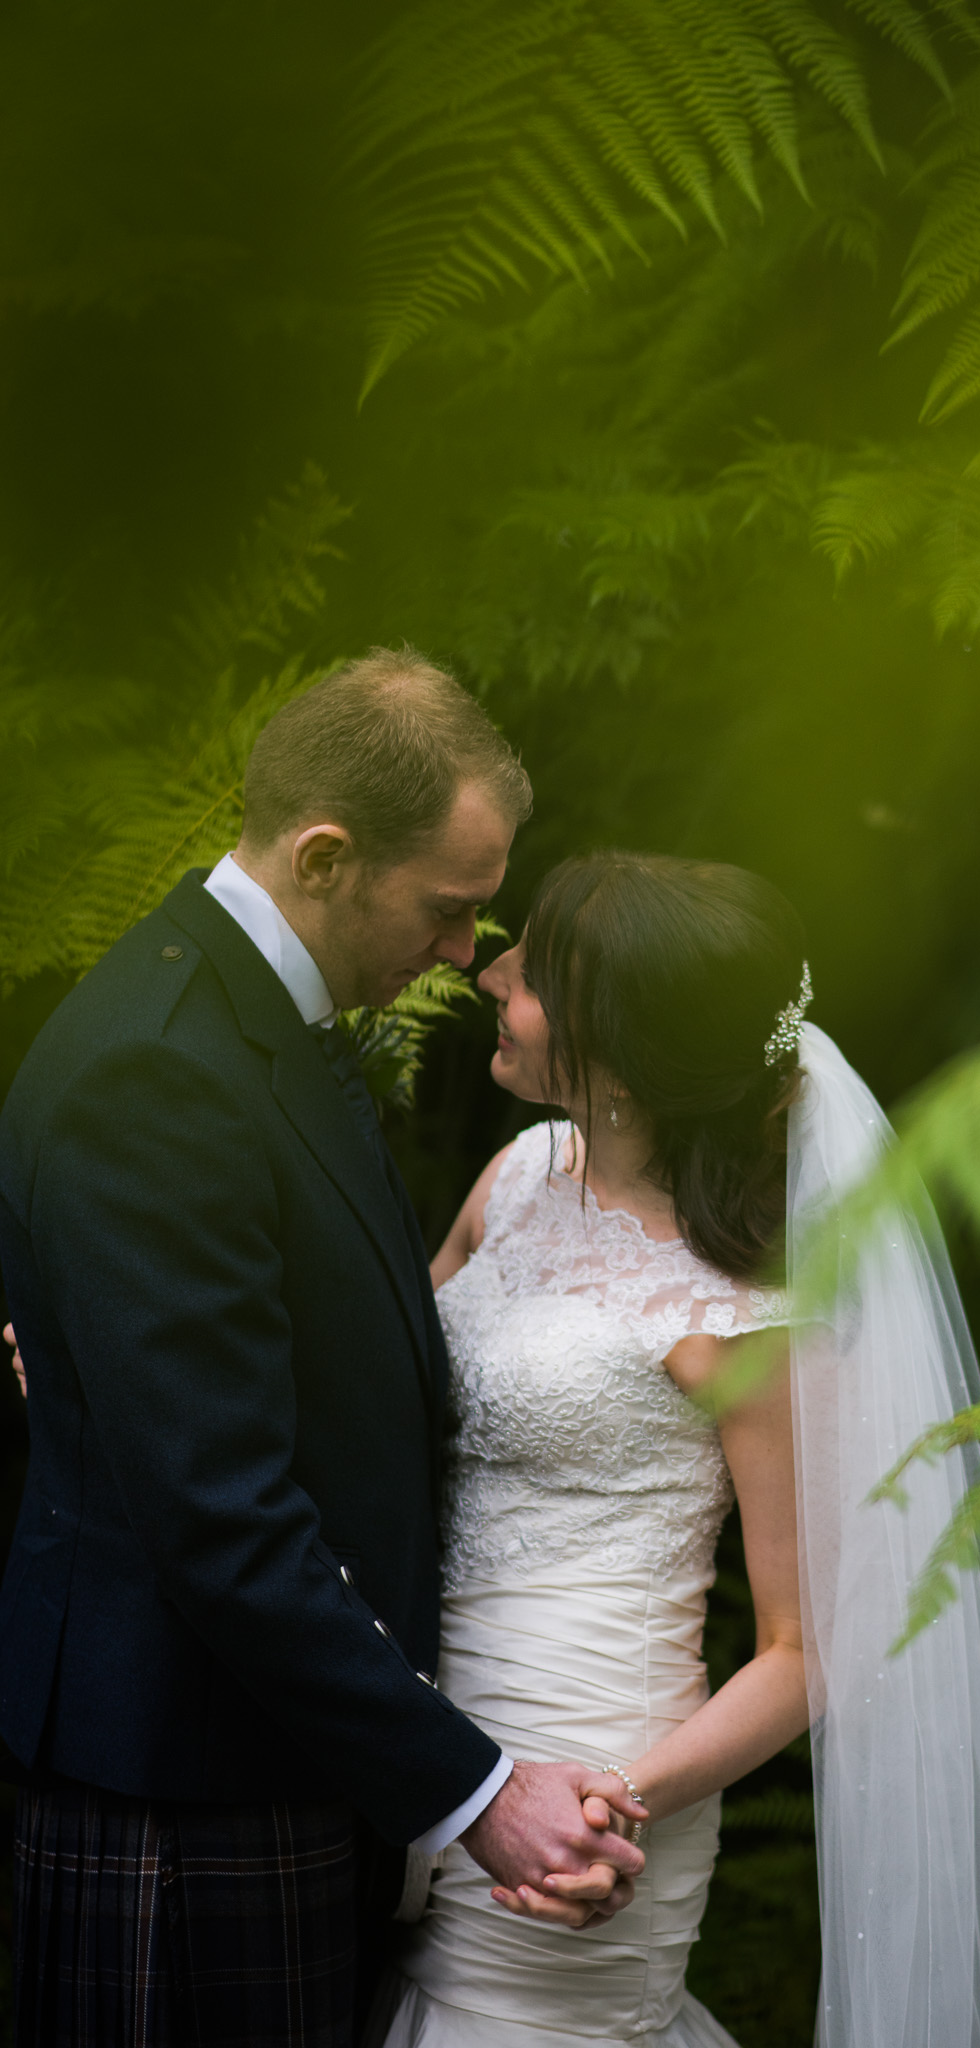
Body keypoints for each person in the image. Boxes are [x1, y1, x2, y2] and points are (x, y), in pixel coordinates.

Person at [0, 650, 646, 2048]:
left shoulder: (266, 1021)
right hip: (184, 1780)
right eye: (450, 910)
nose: (467, 955)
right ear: (328, 855)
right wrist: (472, 1789)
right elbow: (219, 1517)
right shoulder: (158, 1072)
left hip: (283, 1750)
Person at [370, 851, 980, 2048]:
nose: (490, 971)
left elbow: (804, 1645)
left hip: (596, 1770)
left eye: (532, 973)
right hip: (419, 1734)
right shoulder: (513, 1179)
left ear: (620, 1049)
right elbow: (374, 1403)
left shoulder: (749, 1316)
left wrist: (619, 1800)